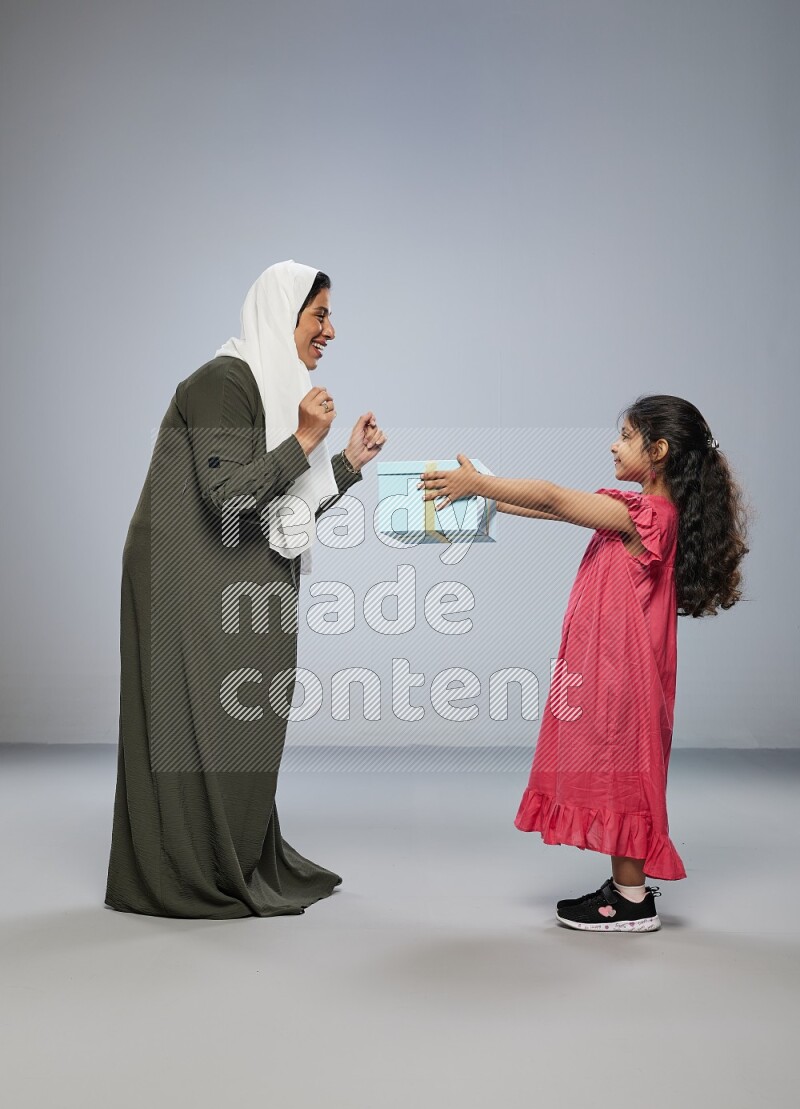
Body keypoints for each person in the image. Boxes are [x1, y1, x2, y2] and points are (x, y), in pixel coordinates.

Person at [105, 261, 386, 918]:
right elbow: (227, 496)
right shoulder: (224, 382)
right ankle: (183, 868)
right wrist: (306, 438)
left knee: (245, 712)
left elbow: (280, 513)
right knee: (198, 718)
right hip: (184, 575)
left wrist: (344, 464)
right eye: (319, 315)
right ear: (282, 315)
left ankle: (226, 850)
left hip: (232, 569)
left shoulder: (270, 386)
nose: (330, 331)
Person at [420, 396, 748, 932]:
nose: (613, 444)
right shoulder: (637, 510)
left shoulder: (649, 517)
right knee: (617, 771)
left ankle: (633, 901)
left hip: (625, 676)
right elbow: (551, 508)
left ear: (658, 450)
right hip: (615, 669)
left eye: (625, 435)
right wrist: (486, 495)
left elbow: (552, 494)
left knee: (623, 775)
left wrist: (480, 487)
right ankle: (626, 887)